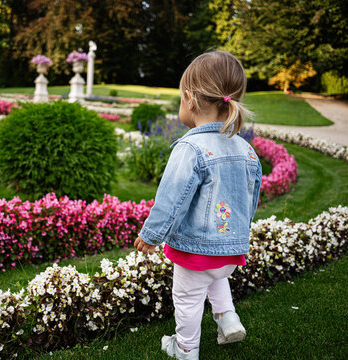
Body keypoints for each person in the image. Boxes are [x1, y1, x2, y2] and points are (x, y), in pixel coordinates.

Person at [134, 50, 262, 360]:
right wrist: (238, 233)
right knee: (215, 275)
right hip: (231, 251)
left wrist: (151, 234)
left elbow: (172, 198)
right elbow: (252, 198)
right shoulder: (245, 149)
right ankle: (227, 317)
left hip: (196, 250)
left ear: (190, 99)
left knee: (187, 299)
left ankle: (185, 349)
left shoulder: (190, 146)